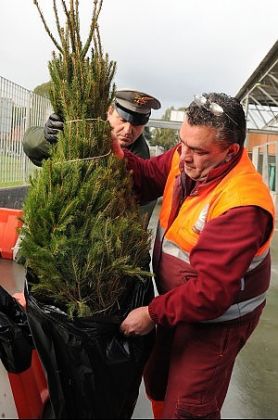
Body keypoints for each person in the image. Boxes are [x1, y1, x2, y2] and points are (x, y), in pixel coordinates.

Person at [116, 92, 275, 419]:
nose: (183, 156)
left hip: (218, 320)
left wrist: (152, 313)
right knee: (158, 379)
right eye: (182, 143)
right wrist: (107, 148)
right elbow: (145, 178)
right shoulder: (185, 156)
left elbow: (212, 294)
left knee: (188, 407)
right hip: (179, 302)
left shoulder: (242, 206)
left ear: (231, 152)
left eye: (198, 151)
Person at [22, 88, 161, 225]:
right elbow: (31, 145)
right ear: (109, 112)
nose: (128, 131)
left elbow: (136, 221)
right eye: (123, 120)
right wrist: (49, 137)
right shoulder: (87, 128)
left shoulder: (142, 160)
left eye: (137, 125)